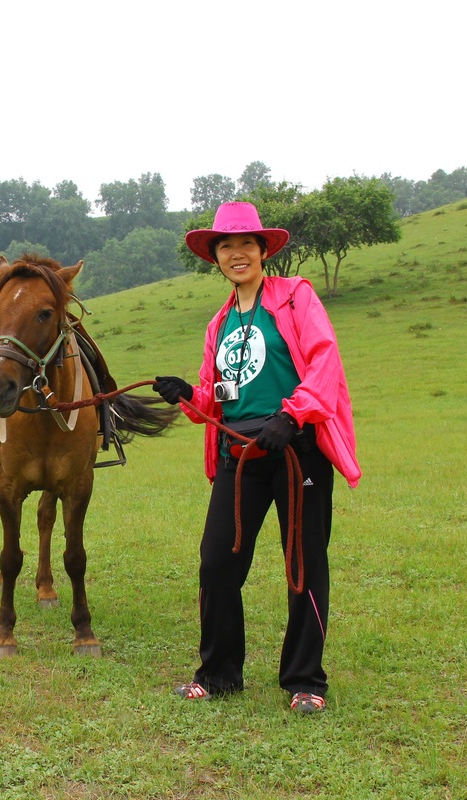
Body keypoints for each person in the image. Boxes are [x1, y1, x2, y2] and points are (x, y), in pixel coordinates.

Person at [154, 201, 360, 715]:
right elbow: (215, 397)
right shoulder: (218, 322)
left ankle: (305, 680)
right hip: (239, 455)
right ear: (216, 258)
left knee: (305, 564)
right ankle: (219, 673)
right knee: (217, 562)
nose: (237, 253)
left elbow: (324, 361)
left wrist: (291, 418)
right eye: (227, 246)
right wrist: (188, 394)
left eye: (247, 243)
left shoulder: (296, 298)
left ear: (263, 250)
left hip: (295, 450)